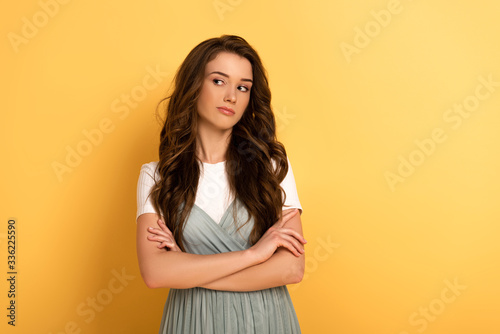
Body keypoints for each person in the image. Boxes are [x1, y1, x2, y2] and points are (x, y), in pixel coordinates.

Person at [135, 34, 307, 333]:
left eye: (243, 87)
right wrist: (253, 256)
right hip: (191, 322)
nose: (232, 96)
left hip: (266, 321)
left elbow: (291, 268)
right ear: (193, 86)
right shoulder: (156, 177)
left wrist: (186, 269)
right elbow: (155, 273)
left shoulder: (272, 166)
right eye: (219, 81)